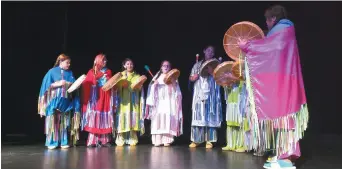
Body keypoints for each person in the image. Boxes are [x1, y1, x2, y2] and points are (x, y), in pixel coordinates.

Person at [237, 5, 309, 169]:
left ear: (273, 19)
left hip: (285, 80)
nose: (267, 24)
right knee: (281, 117)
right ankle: (283, 153)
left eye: (267, 20)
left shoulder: (284, 29)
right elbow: (270, 48)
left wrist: (248, 46)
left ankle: (288, 158)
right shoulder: (283, 31)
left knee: (286, 116)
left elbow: (269, 48)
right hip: (282, 78)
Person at [38, 54, 80, 149]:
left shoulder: (70, 73)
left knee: (64, 121)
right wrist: (57, 84)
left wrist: (71, 84)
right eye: (67, 62)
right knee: (53, 121)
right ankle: (52, 142)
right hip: (54, 101)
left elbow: (73, 86)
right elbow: (46, 85)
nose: (69, 64)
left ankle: (64, 141)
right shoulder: (52, 72)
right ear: (61, 62)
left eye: (69, 63)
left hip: (65, 101)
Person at [188, 46, 222, 149]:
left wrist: (213, 72)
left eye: (212, 51)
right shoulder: (197, 65)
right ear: (204, 51)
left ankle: (209, 140)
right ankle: (197, 140)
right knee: (199, 115)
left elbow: (222, 78)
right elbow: (191, 77)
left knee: (210, 115)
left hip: (212, 94)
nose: (210, 52)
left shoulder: (217, 64)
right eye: (208, 50)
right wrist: (193, 78)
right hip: (199, 94)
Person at [145, 60, 183, 146]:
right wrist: (154, 85)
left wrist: (173, 84)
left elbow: (177, 92)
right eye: (164, 65)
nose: (166, 67)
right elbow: (151, 90)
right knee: (158, 118)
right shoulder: (157, 77)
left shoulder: (173, 77)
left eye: (168, 66)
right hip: (159, 102)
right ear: (161, 67)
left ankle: (167, 139)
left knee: (168, 118)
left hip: (169, 101)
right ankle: (157, 140)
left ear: (170, 68)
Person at [81, 54, 114, 147]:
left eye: (106, 60)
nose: (105, 62)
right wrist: (95, 79)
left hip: (105, 96)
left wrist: (109, 80)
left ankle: (105, 140)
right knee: (95, 117)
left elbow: (111, 83)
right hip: (95, 97)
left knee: (104, 117)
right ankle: (92, 141)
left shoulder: (108, 71)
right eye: (103, 60)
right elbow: (86, 84)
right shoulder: (91, 71)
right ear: (98, 61)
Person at [115, 58, 145, 146]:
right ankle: (121, 139)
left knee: (132, 118)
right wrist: (121, 85)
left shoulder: (137, 76)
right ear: (124, 65)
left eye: (131, 64)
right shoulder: (120, 76)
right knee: (122, 117)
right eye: (127, 64)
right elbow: (115, 88)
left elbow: (140, 89)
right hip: (123, 101)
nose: (129, 65)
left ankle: (132, 138)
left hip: (133, 101)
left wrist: (138, 86)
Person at [222, 80, 251, 152]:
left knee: (240, 121)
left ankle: (243, 145)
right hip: (231, 99)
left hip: (241, 99)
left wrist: (239, 80)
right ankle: (231, 144)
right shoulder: (229, 74)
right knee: (231, 121)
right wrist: (226, 85)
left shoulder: (242, 72)